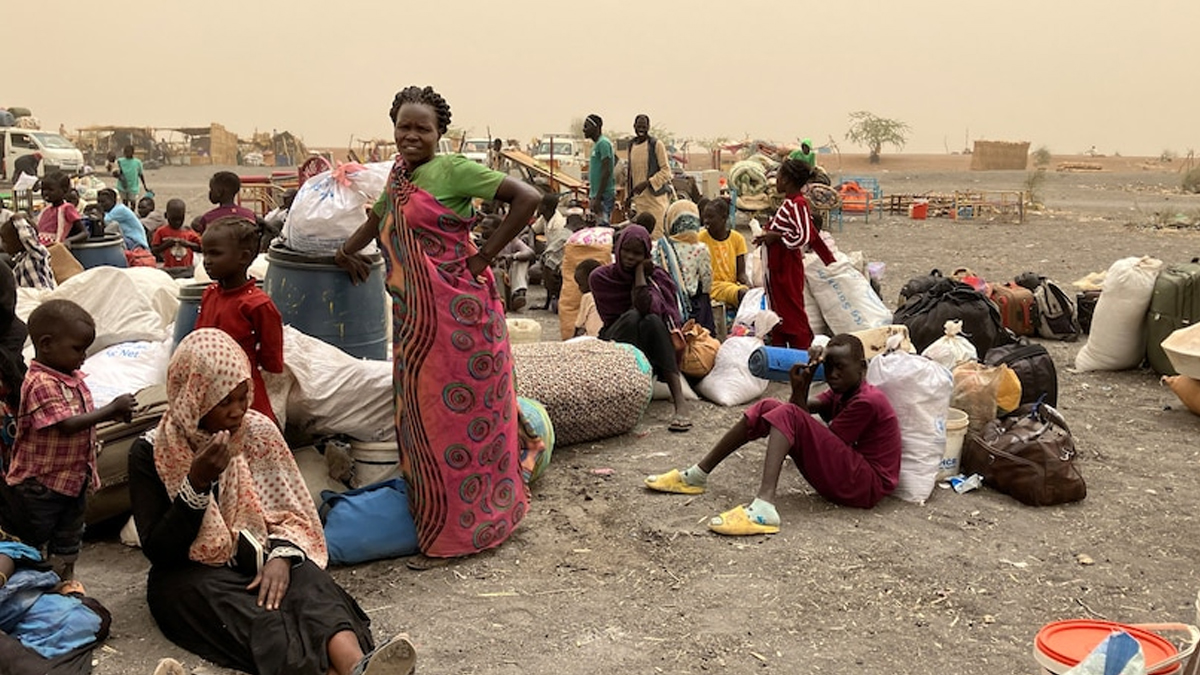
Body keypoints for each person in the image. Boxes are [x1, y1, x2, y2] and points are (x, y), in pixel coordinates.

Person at [335, 85, 542, 569]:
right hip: (415, 321)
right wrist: (346, 250)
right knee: (423, 421)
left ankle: (463, 532)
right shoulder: (400, 176)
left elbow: (528, 197)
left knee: (459, 422)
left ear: (439, 133)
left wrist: (484, 257)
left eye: (421, 128)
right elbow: (380, 218)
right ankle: (442, 520)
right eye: (403, 126)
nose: (410, 135)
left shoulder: (453, 170)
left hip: (462, 318)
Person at [128, 329, 416, 675]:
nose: (238, 411)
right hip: (192, 572)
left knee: (308, 584)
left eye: (242, 396)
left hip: (263, 553)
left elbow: (292, 513)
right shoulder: (153, 451)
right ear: (194, 396)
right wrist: (196, 484)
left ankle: (356, 666)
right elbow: (160, 550)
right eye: (225, 402)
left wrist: (281, 556)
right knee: (252, 616)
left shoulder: (257, 432)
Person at [645, 334, 902, 535]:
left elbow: (816, 439)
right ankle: (697, 475)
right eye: (829, 368)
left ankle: (765, 505)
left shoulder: (866, 401)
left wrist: (796, 404)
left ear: (862, 368)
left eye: (841, 368)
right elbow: (802, 418)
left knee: (786, 413)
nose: (833, 375)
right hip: (851, 475)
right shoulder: (842, 390)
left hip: (867, 485)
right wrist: (801, 386)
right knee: (769, 406)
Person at [3, 300, 136, 581]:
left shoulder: (72, 378)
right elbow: (66, 425)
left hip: (72, 481)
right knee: (32, 541)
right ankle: (28, 587)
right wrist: (110, 410)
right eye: (78, 349)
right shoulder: (40, 382)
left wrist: (113, 417)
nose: (84, 356)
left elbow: (82, 421)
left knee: (69, 539)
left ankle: (63, 582)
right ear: (47, 344)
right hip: (40, 486)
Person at [589, 224, 691, 432]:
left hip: (648, 341)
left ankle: (680, 402)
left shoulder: (656, 276)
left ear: (645, 255)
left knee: (652, 320)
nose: (629, 257)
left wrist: (640, 274)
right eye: (626, 250)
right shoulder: (600, 277)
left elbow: (650, 308)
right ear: (617, 249)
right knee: (636, 316)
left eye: (637, 253)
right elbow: (620, 314)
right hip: (616, 338)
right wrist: (640, 278)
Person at [194, 216, 283, 425]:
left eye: (215, 253)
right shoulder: (209, 294)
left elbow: (272, 359)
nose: (206, 260)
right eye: (205, 253)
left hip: (242, 396)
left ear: (243, 257)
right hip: (206, 388)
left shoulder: (257, 305)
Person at [756, 159, 835, 349]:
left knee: (792, 310)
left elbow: (803, 235)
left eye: (779, 177)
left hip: (787, 266)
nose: (776, 181)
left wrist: (777, 237)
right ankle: (780, 351)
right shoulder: (790, 202)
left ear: (788, 180)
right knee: (779, 309)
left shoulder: (798, 203)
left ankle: (802, 351)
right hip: (778, 265)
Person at [652, 199, 715, 334]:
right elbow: (706, 283)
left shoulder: (660, 247)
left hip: (666, 305)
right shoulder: (701, 249)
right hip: (693, 307)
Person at [625, 114, 673, 239]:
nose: (641, 129)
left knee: (656, 235)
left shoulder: (656, 145)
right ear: (634, 127)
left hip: (655, 201)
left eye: (644, 126)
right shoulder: (631, 145)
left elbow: (666, 171)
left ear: (648, 127)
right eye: (639, 126)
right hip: (640, 202)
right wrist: (628, 197)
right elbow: (630, 173)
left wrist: (647, 183)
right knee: (642, 236)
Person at [698, 196, 750, 307]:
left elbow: (741, 273)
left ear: (724, 218)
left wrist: (748, 283)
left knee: (751, 294)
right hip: (713, 286)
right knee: (744, 294)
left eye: (711, 217)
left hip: (731, 285)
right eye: (705, 217)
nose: (706, 221)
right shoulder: (700, 239)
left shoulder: (737, 239)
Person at [97, 188, 155, 266]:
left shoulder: (119, 210)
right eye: (99, 202)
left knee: (112, 229)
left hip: (135, 242)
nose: (100, 205)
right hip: (128, 240)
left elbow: (103, 220)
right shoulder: (111, 211)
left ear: (113, 200)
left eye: (103, 202)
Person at [1, 211, 56, 289]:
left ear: (18, 241)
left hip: (42, 298)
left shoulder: (36, 255)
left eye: (5, 241)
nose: (2, 245)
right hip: (29, 299)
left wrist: (19, 220)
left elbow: (27, 237)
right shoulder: (19, 262)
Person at [532, 192, 567, 312]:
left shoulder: (558, 223)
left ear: (545, 207)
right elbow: (533, 230)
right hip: (549, 252)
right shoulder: (544, 218)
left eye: (539, 205)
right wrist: (532, 246)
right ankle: (550, 297)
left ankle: (554, 295)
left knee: (546, 268)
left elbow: (557, 247)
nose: (537, 207)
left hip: (559, 254)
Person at [34, 172, 88, 247]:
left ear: (64, 190)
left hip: (56, 249)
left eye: (50, 190)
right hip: (42, 248)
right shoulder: (46, 210)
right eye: (43, 189)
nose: (45, 193)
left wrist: (68, 240)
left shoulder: (67, 208)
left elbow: (84, 233)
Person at [150, 199, 202, 272]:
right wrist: (166, 245)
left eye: (180, 219)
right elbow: (153, 251)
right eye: (173, 219)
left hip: (186, 269)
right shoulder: (161, 231)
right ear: (166, 215)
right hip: (169, 269)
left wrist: (187, 244)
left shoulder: (188, 231)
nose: (177, 222)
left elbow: (201, 248)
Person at [583, 114, 615, 225]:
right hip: (596, 195)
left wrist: (598, 197)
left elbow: (606, 171)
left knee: (602, 229)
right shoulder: (596, 145)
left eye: (586, 127)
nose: (584, 130)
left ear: (596, 127)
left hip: (603, 196)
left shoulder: (603, 143)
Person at [572, 258, 603, 337]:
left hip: (592, 338)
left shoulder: (587, 297)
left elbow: (578, 325)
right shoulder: (609, 294)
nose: (579, 288)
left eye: (581, 284)